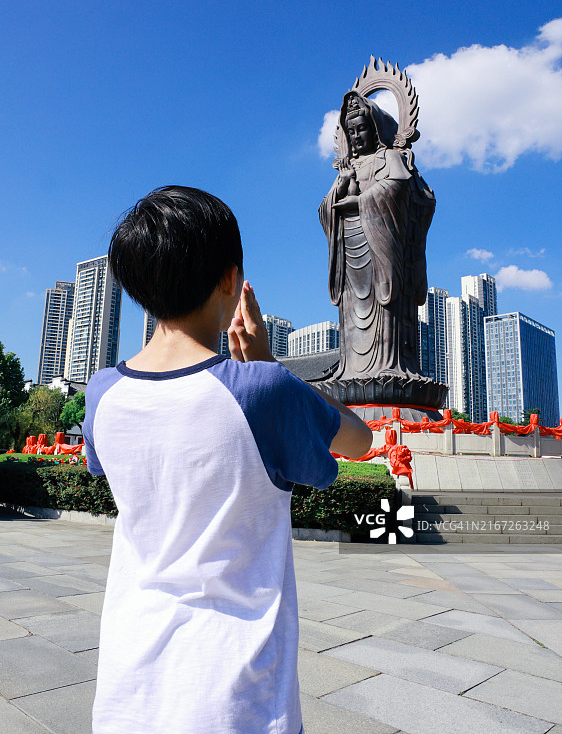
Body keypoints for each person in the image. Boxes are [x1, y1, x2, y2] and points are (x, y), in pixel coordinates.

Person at [83, 186, 372, 734]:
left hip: (128, 682)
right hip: (234, 694)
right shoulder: (261, 391)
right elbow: (360, 441)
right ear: (230, 279)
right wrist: (271, 365)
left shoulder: (102, 394)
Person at [319, 90, 436, 382]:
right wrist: (343, 184)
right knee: (351, 310)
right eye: (351, 131)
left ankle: (390, 366)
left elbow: (398, 189)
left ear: (375, 129)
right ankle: (351, 370)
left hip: (383, 247)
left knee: (385, 304)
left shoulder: (389, 158)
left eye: (362, 129)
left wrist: (360, 202)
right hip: (349, 248)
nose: (356, 136)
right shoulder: (348, 167)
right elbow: (325, 209)